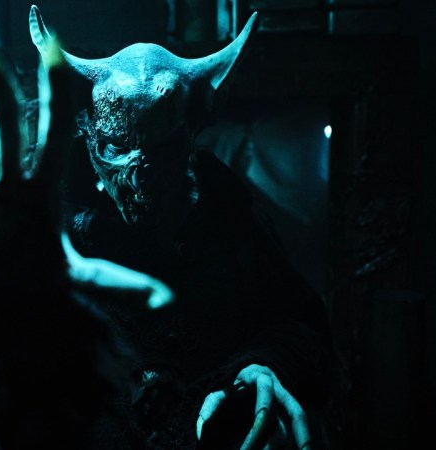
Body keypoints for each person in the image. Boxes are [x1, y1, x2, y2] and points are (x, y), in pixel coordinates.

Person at [29, 5, 334, 449]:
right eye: (117, 147)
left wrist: (264, 363)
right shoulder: (56, 228)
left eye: (162, 150)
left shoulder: (229, 218)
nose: (140, 174)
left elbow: (298, 322)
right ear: (89, 133)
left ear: (189, 133)